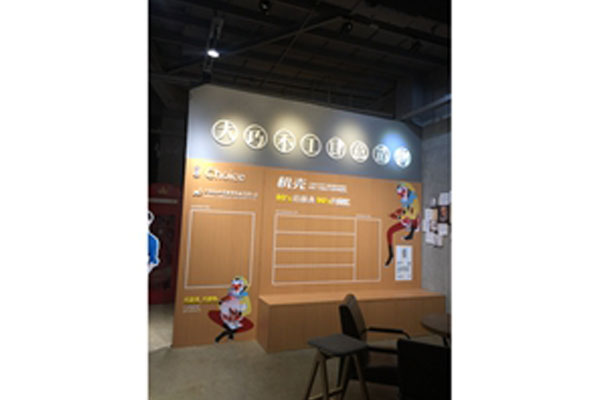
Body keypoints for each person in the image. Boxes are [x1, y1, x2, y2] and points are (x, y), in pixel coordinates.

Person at [385, 183, 420, 266]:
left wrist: (398, 217)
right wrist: (399, 212)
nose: (400, 196)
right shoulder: (405, 198)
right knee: (389, 231)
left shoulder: (412, 200)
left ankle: (411, 233)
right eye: (399, 195)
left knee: (413, 216)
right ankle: (391, 254)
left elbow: (411, 215)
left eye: (401, 194)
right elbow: (405, 211)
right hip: (407, 219)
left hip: (413, 220)